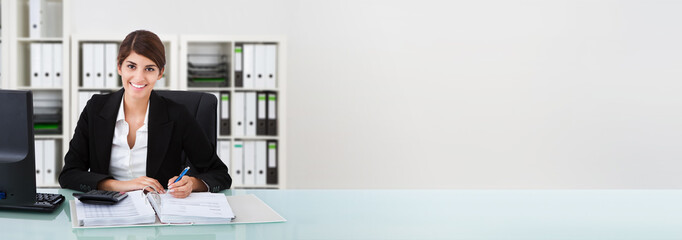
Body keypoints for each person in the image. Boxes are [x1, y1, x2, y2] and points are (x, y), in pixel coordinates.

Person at [59, 30, 231, 198]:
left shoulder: (177, 115)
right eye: (131, 66)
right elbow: (69, 174)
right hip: (107, 208)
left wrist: (193, 183)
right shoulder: (95, 109)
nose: (139, 77)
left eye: (149, 69)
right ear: (119, 67)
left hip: (158, 213)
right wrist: (122, 186)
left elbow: (220, 174)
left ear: (160, 72)